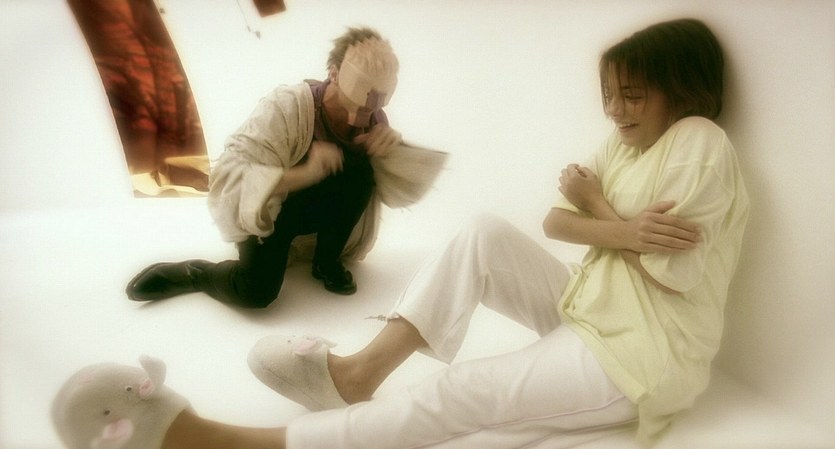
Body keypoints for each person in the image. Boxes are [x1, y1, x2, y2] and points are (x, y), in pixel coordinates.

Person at [62, 18, 749, 448]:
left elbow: (666, 268)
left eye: (632, 95)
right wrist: (615, 223)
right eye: (610, 94)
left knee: (459, 394)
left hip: (638, 357)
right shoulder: (627, 144)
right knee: (480, 233)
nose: (614, 110)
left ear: (683, 90)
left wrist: (596, 206)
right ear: (332, 76)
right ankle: (358, 372)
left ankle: (228, 443)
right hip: (593, 310)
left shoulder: (697, 139)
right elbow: (554, 220)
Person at [125, 27, 433, 306]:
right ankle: (195, 273)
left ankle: (326, 261)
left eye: (379, 97)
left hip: (317, 209)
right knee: (256, 292)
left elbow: (389, 191)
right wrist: (306, 172)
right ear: (334, 74)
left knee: (362, 173)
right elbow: (231, 175)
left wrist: (391, 151)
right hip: (272, 211)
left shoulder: (374, 119)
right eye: (364, 92)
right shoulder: (286, 107)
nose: (371, 106)